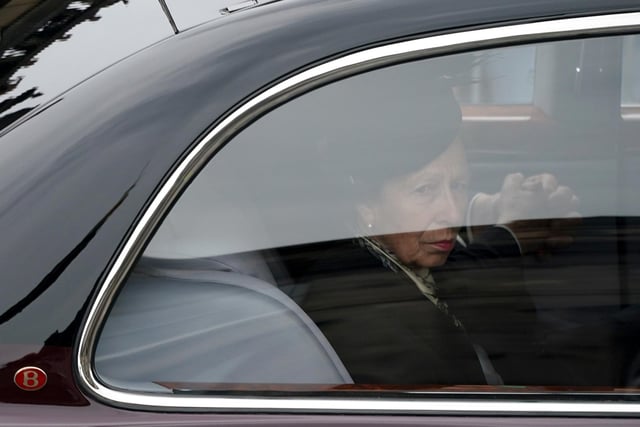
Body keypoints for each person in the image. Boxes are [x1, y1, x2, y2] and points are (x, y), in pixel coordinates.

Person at [294, 62, 580, 386]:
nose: (452, 211)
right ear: (366, 204)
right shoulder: (363, 319)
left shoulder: (393, 253)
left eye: (459, 186)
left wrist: (500, 218)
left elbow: (465, 276)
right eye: (425, 190)